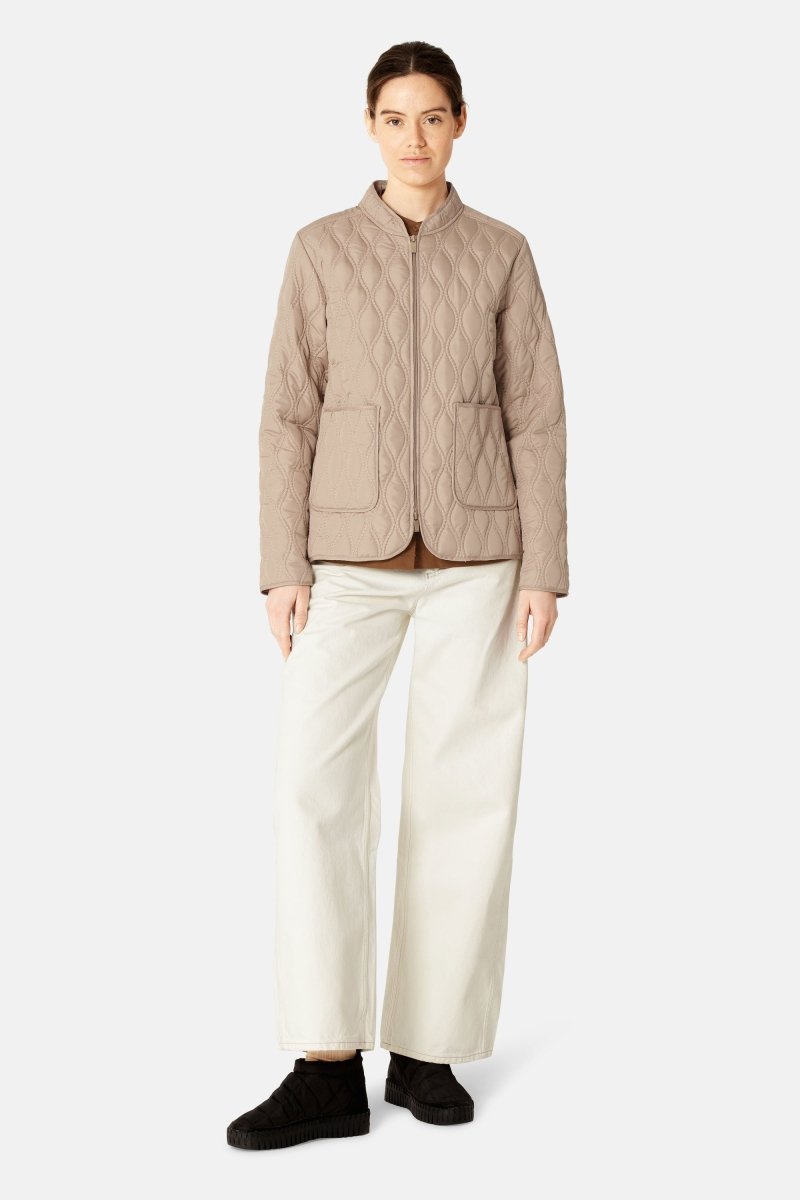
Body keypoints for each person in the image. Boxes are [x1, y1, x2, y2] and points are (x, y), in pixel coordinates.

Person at [228, 39, 569, 1152]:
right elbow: (287, 414)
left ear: (460, 123)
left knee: (463, 797)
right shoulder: (320, 250)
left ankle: (427, 1049)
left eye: (431, 117)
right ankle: (326, 1067)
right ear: (368, 127)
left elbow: (535, 415)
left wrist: (544, 566)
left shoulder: (503, 252)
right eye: (393, 118)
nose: (413, 138)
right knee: (312, 792)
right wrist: (283, 563)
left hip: (479, 557)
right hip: (346, 561)